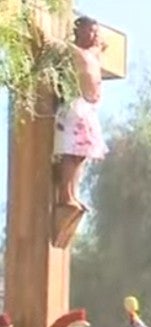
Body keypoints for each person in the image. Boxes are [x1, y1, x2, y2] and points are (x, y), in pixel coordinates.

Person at [51, 16, 109, 247]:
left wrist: (99, 40)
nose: (94, 35)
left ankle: (72, 193)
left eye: (96, 31)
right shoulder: (72, 51)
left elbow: (103, 45)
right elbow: (51, 43)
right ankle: (65, 195)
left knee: (83, 153)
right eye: (90, 31)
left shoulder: (93, 53)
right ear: (79, 32)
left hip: (89, 108)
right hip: (75, 105)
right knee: (71, 151)